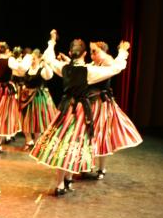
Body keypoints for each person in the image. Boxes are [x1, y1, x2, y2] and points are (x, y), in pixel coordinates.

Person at [30, 29, 130, 196]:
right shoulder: (89, 72)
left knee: (64, 143)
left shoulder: (64, 68)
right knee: (73, 143)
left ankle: (65, 180)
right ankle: (63, 182)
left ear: (70, 52)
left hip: (65, 109)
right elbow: (116, 68)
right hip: (80, 111)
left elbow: (49, 58)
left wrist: (52, 41)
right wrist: (123, 52)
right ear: (84, 54)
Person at [86, 41, 143, 179]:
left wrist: (122, 51)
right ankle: (88, 164)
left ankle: (101, 168)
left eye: (95, 51)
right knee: (88, 136)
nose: (92, 54)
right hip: (89, 104)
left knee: (102, 135)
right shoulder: (92, 66)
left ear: (103, 52)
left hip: (102, 105)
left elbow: (117, 64)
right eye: (91, 51)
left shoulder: (108, 65)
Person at [19, 49, 57, 149]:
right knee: (25, 120)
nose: (32, 61)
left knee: (37, 120)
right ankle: (28, 140)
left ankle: (36, 142)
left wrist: (45, 65)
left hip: (38, 97)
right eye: (31, 58)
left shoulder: (42, 71)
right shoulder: (27, 70)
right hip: (26, 97)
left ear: (39, 59)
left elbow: (49, 76)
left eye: (34, 59)